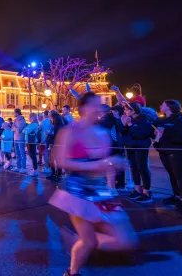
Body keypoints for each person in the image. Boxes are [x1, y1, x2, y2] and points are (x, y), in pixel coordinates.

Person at [49, 92, 137, 276]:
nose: (99, 109)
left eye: (100, 105)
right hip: (76, 192)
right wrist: (97, 164)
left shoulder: (103, 133)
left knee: (124, 240)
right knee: (89, 242)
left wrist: (115, 164)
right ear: (82, 108)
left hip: (100, 191)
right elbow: (61, 161)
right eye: (94, 105)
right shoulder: (69, 131)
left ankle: (77, 240)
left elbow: (105, 164)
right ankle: (72, 272)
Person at [154, 100, 182, 211]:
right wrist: (157, 138)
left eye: (163, 104)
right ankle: (177, 195)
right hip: (165, 152)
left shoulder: (181, 121)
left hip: (178, 152)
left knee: (179, 175)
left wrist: (166, 133)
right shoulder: (163, 120)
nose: (160, 106)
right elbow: (158, 133)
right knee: (172, 175)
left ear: (169, 107)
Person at [121, 102, 154, 203]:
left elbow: (140, 134)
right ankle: (137, 189)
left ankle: (146, 192)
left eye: (127, 110)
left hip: (140, 147)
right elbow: (124, 132)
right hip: (130, 146)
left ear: (133, 110)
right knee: (134, 168)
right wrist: (124, 124)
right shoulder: (129, 119)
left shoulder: (144, 119)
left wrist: (130, 125)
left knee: (142, 169)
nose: (125, 111)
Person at [46, 111, 66, 182]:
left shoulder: (58, 127)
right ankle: (56, 174)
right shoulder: (59, 126)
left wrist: (49, 135)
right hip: (55, 145)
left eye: (52, 118)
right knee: (55, 160)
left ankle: (56, 175)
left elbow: (56, 136)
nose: (51, 119)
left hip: (56, 145)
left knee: (55, 160)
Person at [12, 108, 27, 173]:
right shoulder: (15, 120)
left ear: (17, 113)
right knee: (17, 153)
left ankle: (24, 167)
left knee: (22, 153)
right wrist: (15, 129)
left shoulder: (22, 120)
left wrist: (15, 129)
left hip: (20, 138)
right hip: (15, 138)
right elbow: (12, 128)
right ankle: (18, 167)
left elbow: (19, 130)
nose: (13, 114)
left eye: (14, 112)